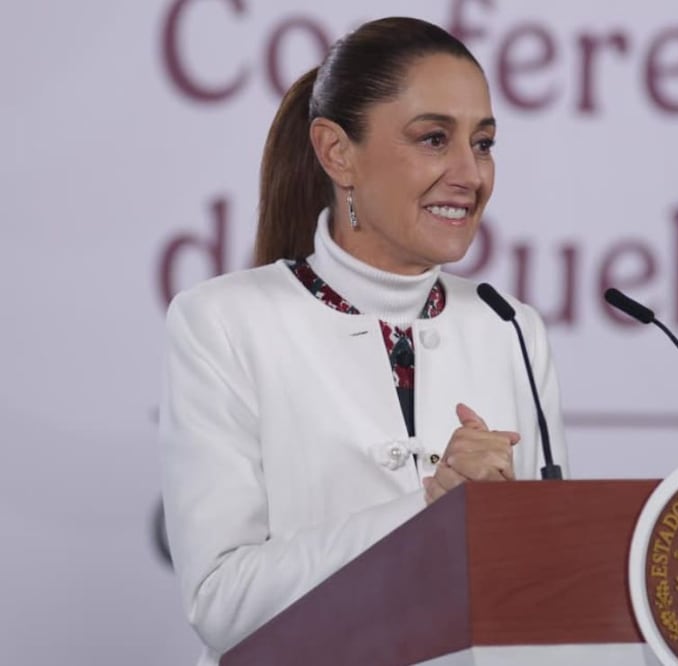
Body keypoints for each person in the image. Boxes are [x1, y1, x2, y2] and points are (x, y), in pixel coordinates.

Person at [159, 17, 568, 665]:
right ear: (336, 152)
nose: (471, 173)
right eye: (435, 139)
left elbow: (548, 599)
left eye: (483, 143)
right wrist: (427, 507)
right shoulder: (223, 322)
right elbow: (220, 604)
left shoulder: (510, 328)